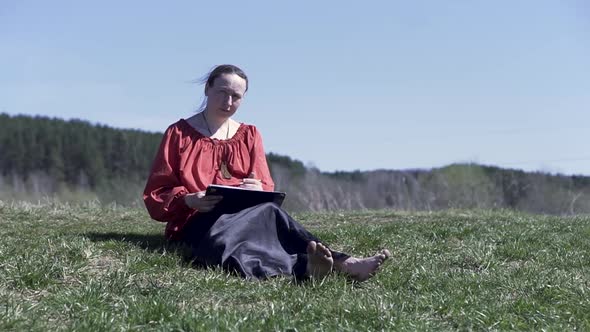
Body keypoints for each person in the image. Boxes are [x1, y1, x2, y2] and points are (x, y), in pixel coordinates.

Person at [143, 64, 389, 281]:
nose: (228, 102)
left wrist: (257, 189)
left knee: (271, 211)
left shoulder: (250, 134)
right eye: (222, 92)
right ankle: (312, 267)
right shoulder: (179, 134)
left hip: (246, 215)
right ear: (207, 89)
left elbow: (265, 186)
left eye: (236, 96)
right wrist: (189, 199)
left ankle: (344, 262)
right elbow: (157, 192)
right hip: (197, 221)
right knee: (229, 245)